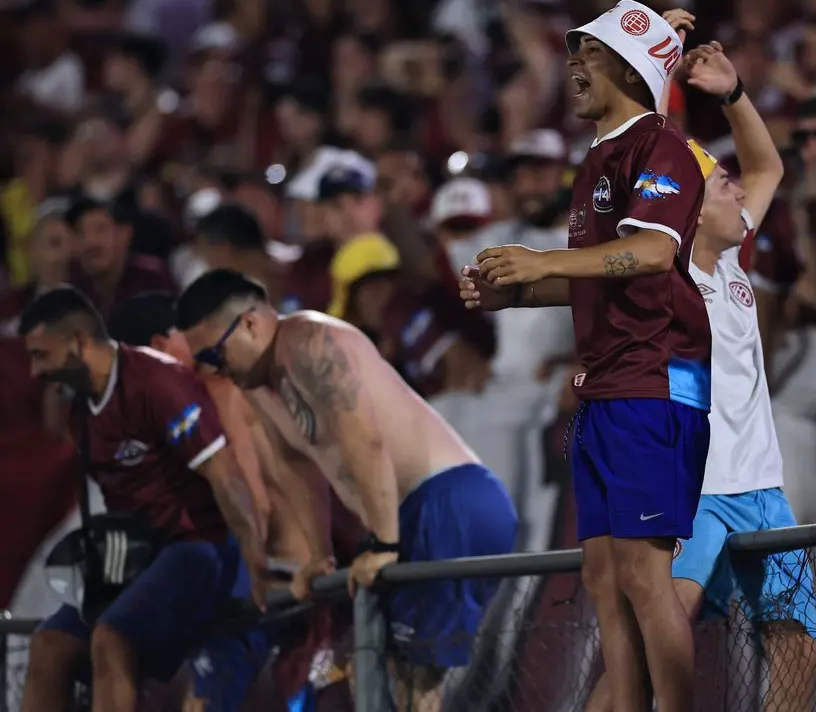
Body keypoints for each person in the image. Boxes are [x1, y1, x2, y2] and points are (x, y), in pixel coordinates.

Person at [460, 3, 711, 711]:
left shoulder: (660, 144)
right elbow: (596, 276)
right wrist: (511, 295)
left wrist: (539, 257)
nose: (573, 67)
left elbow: (656, 251)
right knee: (602, 575)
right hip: (605, 391)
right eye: (574, 54)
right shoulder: (598, 157)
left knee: (642, 574)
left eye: (591, 55)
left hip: (653, 383)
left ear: (631, 70)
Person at [585, 41, 816, 711]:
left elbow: (769, 164)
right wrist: (648, 55)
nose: (740, 189)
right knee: (652, 653)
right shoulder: (663, 278)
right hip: (692, 491)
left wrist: (735, 93)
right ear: (688, 211)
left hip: (761, 488)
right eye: (723, 186)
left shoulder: (735, 260)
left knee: (799, 648)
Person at [172, 269, 518, 712]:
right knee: (376, 675)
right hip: (410, 516)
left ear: (252, 325)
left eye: (213, 356)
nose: (215, 371)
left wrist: (383, 542)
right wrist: (319, 553)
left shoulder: (310, 342)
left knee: (415, 682)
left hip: (446, 501)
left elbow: (363, 439)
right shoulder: (259, 382)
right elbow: (296, 465)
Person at [16, 286, 267, 712]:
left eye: (42, 355)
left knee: (112, 638)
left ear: (78, 343)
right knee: (49, 644)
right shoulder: (80, 411)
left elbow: (225, 475)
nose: (35, 371)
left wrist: (254, 564)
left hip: (196, 548)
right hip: (134, 562)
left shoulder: (156, 380)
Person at [107, 291, 332, 712]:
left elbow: (255, 509)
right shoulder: (197, 398)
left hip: (281, 583)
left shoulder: (222, 391)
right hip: (269, 578)